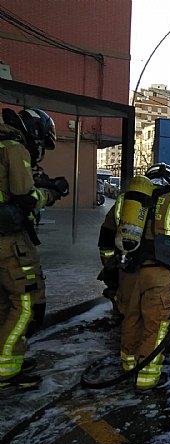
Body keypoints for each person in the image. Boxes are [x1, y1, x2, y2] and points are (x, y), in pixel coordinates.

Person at [98, 163, 170, 391]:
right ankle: (146, 378)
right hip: (160, 275)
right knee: (156, 324)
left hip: (129, 272)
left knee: (131, 318)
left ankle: (128, 366)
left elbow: (105, 239)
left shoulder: (126, 202)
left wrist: (111, 269)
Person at [0, 107, 68, 389]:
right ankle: (6, 370)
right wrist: (50, 192)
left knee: (5, 302)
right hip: (9, 241)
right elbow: (26, 199)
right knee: (26, 303)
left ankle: (9, 357)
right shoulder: (15, 149)